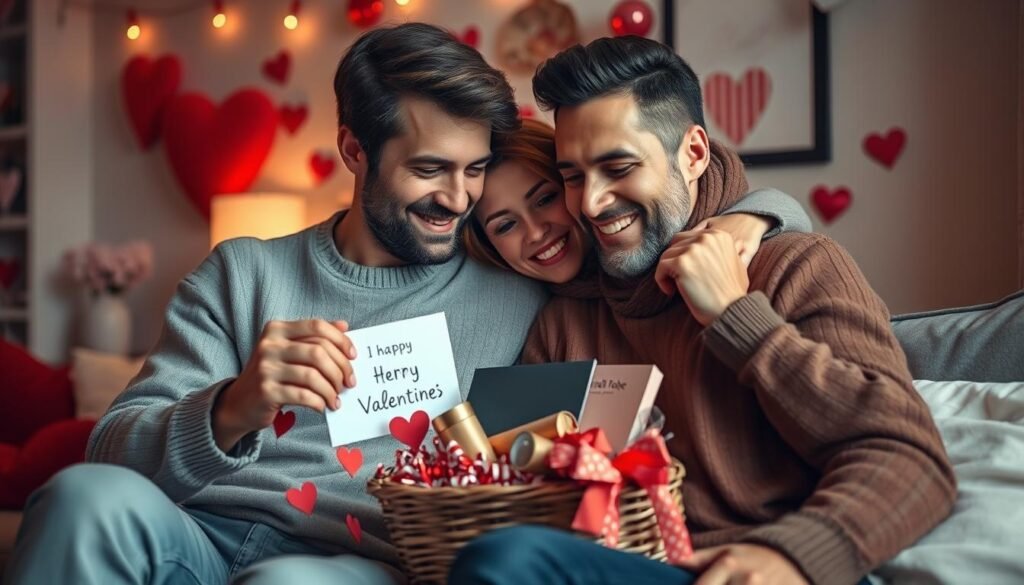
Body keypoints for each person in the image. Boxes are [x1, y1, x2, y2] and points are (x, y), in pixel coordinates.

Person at [1, 24, 807, 585]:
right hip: (192, 530)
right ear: (356, 149)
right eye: (430, 170)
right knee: (81, 497)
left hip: (356, 559)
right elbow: (111, 449)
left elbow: (706, 212)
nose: (457, 200)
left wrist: (750, 216)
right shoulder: (242, 272)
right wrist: (232, 405)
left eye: (472, 171)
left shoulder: (519, 284)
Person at [450, 36, 956, 585]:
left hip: (769, 564)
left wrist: (736, 318)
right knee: (502, 559)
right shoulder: (563, 322)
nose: (589, 203)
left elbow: (909, 459)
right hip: (628, 568)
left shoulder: (795, 266)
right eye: (572, 177)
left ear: (693, 154)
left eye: (618, 166)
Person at [465, 118, 810, 284]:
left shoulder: (641, 245)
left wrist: (754, 216)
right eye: (505, 224)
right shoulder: (529, 306)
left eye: (545, 199)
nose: (536, 232)